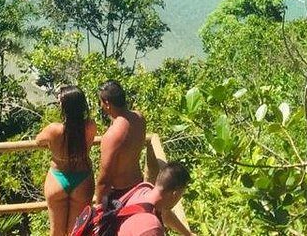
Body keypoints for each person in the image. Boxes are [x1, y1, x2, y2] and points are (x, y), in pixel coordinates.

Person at [35, 86, 97, 236]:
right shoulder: (90, 126)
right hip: (83, 177)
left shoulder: (54, 129)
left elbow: (38, 141)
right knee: (76, 232)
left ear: (65, 107)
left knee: (56, 232)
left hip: (57, 178)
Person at [94, 81, 146, 206]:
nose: (101, 105)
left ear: (107, 103)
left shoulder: (112, 135)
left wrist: (98, 206)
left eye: (101, 102)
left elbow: (104, 180)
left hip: (120, 195)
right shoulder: (139, 118)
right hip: (138, 185)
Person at [110, 163, 193, 236]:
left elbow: (166, 213)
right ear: (175, 194)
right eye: (181, 194)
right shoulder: (151, 227)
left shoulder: (143, 189)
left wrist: (188, 234)